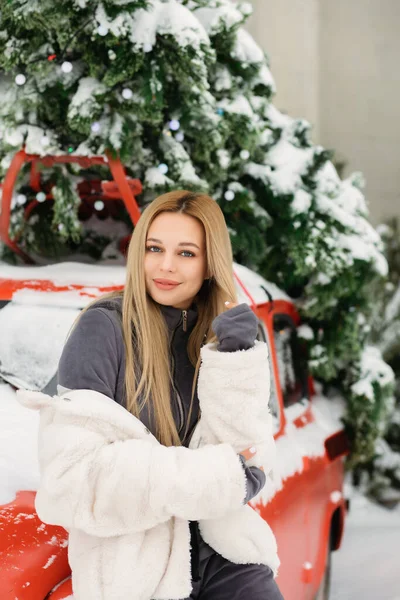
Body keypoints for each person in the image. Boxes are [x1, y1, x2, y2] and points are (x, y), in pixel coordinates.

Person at [21, 191, 283, 600]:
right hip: (136, 567)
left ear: (210, 263)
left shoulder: (216, 335)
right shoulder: (103, 331)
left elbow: (248, 452)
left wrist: (236, 359)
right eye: (154, 248)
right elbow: (73, 479)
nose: (165, 265)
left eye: (186, 253)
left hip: (223, 553)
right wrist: (213, 477)